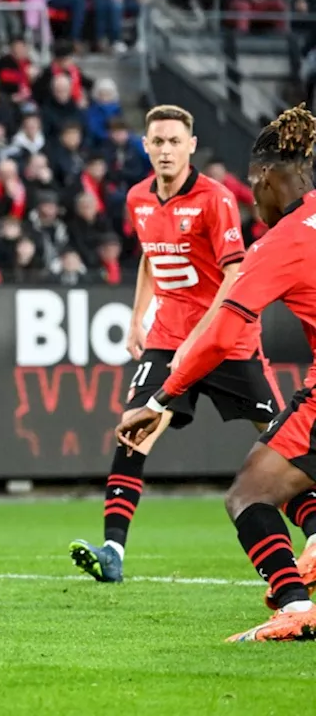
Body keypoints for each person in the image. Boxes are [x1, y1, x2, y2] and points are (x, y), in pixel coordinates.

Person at [70, 105, 299, 584]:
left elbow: (235, 273)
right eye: (158, 142)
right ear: (146, 146)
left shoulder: (215, 199)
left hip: (227, 342)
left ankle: (315, 531)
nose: (167, 150)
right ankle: (112, 551)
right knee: (132, 430)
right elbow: (152, 258)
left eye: (176, 141)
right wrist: (138, 320)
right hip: (167, 339)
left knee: (281, 440)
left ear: (191, 146)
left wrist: (204, 335)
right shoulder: (138, 199)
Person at [118, 105, 316, 642]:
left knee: (249, 496)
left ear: (275, 178)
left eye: (256, 184)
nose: (254, 197)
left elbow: (223, 334)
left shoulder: (279, 243)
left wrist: (160, 400)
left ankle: (296, 607)